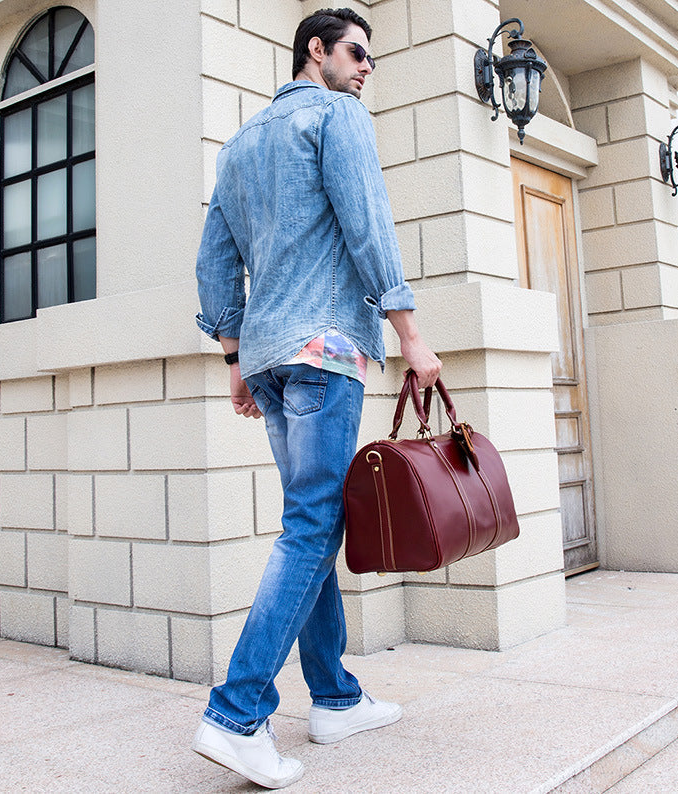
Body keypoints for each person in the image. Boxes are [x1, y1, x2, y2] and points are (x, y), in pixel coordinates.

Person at [192, 7, 441, 789]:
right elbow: (368, 225)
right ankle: (236, 715)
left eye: (370, 59)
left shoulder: (238, 146)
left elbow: (213, 262)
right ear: (317, 52)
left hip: (270, 357)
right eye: (357, 53)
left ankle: (333, 696)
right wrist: (409, 334)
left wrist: (236, 356)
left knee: (313, 520)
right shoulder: (338, 116)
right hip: (327, 349)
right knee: (310, 527)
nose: (366, 68)